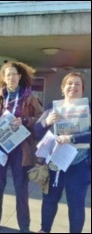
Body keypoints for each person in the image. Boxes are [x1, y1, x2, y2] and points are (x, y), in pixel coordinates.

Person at [0, 61, 43, 233]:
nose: (11, 77)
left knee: (20, 188)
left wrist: (24, 121)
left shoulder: (30, 97)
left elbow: (40, 118)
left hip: (21, 149)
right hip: (0, 146)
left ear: (20, 76)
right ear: (4, 78)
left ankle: (24, 225)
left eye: (14, 74)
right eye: (7, 74)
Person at [34, 72, 91, 233]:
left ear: (83, 89)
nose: (73, 87)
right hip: (56, 163)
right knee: (50, 200)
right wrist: (47, 121)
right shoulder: (53, 108)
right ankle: (45, 229)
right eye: (69, 84)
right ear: (63, 88)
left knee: (76, 204)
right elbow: (36, 131)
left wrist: (72, 138)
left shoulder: (88, 109)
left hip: (79, 164)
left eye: (77, 84)